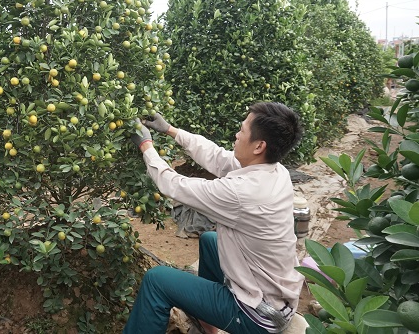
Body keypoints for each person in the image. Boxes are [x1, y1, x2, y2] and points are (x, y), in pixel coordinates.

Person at [126, 102, 304, 334]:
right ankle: (210, 327)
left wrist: (146, 145)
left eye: (242, 130)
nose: (237, 135)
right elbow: (217, 157)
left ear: (259, 146)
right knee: (211, 240)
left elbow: (174, 184)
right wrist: (170, 129)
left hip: (257, 316)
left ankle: (226, 319)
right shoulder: (275, 171)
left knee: (156, 281)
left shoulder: (241, 193)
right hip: (277, 300)